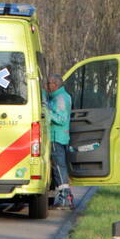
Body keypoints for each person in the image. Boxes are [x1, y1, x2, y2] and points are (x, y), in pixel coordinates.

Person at [45, 75, 74, 209]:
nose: (47, 86)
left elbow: (61, 118)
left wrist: (46, 112)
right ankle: (66, 198)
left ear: (55, 84)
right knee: (58, 167)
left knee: (58, 168)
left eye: (48, 83)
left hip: (56, 137)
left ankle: (64, 199)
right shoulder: (59, 96)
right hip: (59, 136)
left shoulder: (60, 98)